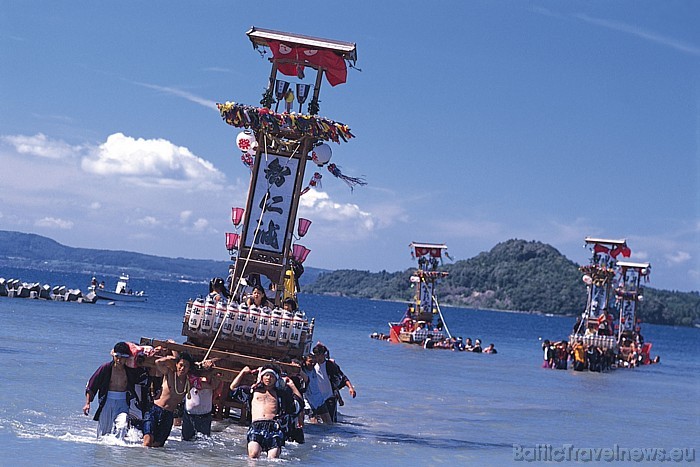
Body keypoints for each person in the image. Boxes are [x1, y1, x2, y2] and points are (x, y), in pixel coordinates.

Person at [229, 365, 303, 459]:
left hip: (274, 427)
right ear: (261, 377)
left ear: (276, 379)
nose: (268, 378)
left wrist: (292, 385)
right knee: (253, 455)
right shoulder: (253, 391)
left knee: (273, 458)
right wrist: (242, 373)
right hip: (256, 426)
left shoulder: (281, 394)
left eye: (272, 376)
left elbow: (298, 404)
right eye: (266, 375)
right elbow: (233, 389)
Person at [83, 342, 148, 439]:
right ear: (113, 355)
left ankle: (118, 451)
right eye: (117, 356)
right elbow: (92, 385)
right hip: (107, 402)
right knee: (103, 434)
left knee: (122, 426)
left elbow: (145, 376)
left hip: (123, 403)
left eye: (123, 357)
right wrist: (87, 403)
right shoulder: (105, 368)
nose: (119, 360)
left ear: (127, 357)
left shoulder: (130, 371)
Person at [142, 351, 195, 447]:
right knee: (147, 442)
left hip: (168, 415)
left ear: (189, 368)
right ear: (177, 364)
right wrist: (170, 358)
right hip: (155, 410)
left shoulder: (189, 383)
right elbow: (158, 362)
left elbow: (207, 381)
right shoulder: (170, 374)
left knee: (158, 445)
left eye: (185, 366)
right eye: (181, 365)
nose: (182, 368)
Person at [310, 343, 356, 423]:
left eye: (318, 355)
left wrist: (351, 388)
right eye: (315, 355)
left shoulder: (330, 366)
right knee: (315, 423)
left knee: (330, 423)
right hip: (316, 398)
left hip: (329, 398)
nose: (317, 357)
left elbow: (343, 377)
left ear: (323, 355)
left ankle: (333, 436)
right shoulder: (312, 365)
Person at [182, 360, 218, 441]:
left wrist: (211, 369)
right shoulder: (189, 377)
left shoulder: (211, 379)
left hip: (205, 416)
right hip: (189, 415)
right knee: (185, 442)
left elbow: (214, 385)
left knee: (203, 443)